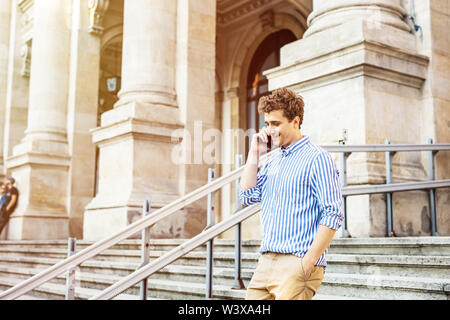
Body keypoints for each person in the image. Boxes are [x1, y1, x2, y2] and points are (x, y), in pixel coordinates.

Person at [240, 88, 343, 300]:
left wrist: (309, 261)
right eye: (267, 124)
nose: (269, 130)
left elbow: (332, 213)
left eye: (276, 124)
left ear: (295, 122)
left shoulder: (318, 159)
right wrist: (254, 154)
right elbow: (247, 197)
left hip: (296, 262)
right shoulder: (271, 161)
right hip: (266, 262)